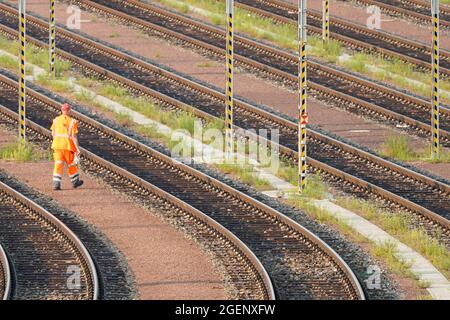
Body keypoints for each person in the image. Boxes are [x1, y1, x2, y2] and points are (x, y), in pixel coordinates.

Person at [51, 103, 83, 190]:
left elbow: (53, 133)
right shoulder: (72, 122)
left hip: (57, 146)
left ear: (62, 110)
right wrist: (77, 148)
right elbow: (73, 136)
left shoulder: (56, 120)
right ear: (69, 111)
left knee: (58, 164)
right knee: (71, 164)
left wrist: (56, 141)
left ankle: (56, 184)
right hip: (68, 147)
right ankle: (75, 181)